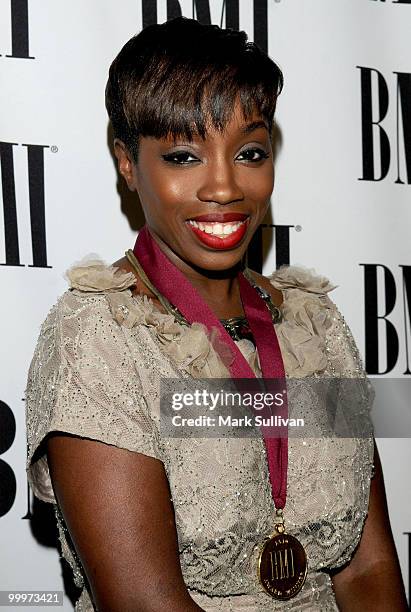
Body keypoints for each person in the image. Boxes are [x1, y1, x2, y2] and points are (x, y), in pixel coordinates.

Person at [25, 16, 407, 612]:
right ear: (128, 163)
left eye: (250, 152)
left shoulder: (317, 327)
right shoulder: (100, 339)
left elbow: (368, 568)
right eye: (183, 157)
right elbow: (145, 604)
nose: (225, 186)